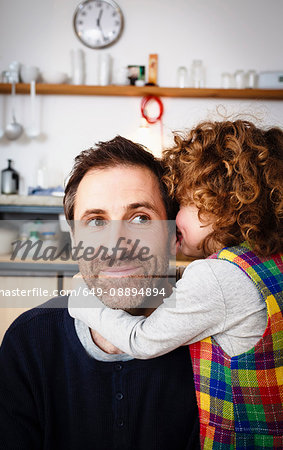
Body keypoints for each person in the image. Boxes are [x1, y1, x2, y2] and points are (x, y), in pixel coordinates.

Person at [69, 121, 283, 449]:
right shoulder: (268, 262)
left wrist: (82, 301)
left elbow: (141, 341)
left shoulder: (216, 278)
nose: (175, 215)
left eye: (183, 203)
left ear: (221, 205)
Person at [0, 136, 200, 450]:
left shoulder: (212, 340)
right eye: (95, 221)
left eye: (140, 218)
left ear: (172, 236)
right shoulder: (28, 343)